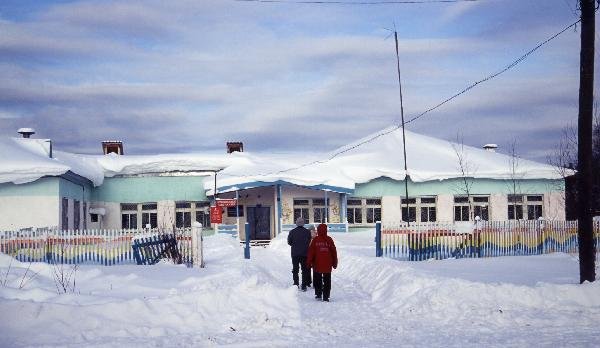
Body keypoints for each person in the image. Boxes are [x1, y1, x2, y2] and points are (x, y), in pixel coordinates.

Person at [306, 223, 338, 302]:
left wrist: (309, 262)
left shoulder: (315, 240)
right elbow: (334, 252)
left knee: (318, 279)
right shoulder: (329, 240)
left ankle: (318, 294)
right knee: (327, 280)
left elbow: (311, 252)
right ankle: (326, 296)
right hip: (327, 264)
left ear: (318, 230)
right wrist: (334, 262)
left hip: (317, 264)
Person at [287, 217, 312, 291]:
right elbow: (309, 241)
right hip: (305, 253)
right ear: (303, 223)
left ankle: (296, 283)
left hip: (295, 253)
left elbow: (289, 242)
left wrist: (295, 245)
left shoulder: (292, 232)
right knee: (304, 270)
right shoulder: (307, 232)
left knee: (295, 269)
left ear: (296, 223)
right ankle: (304, 285)